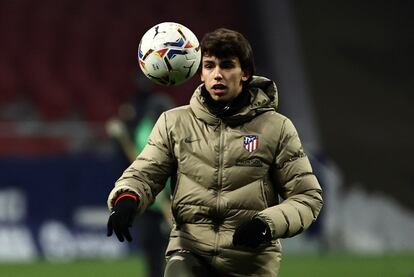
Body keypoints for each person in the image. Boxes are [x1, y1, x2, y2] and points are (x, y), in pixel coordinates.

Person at [106, 28, 323, 277]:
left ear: (246, 74)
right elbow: (145, 173)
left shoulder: (277, 128)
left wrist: (267, 224)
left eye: (227, 65)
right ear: (200, 73)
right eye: (209, 66)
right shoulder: (173, 123)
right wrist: (126, 198)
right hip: (189, 253)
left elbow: (307, 197)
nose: (217, 74)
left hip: (251, 262)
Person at [106, 88, 173, 277]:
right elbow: (143, 166)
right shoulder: (145, 131)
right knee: (151, 251)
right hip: (149, 203)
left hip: (173, 198)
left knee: (179, 255)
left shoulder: (176, 129)